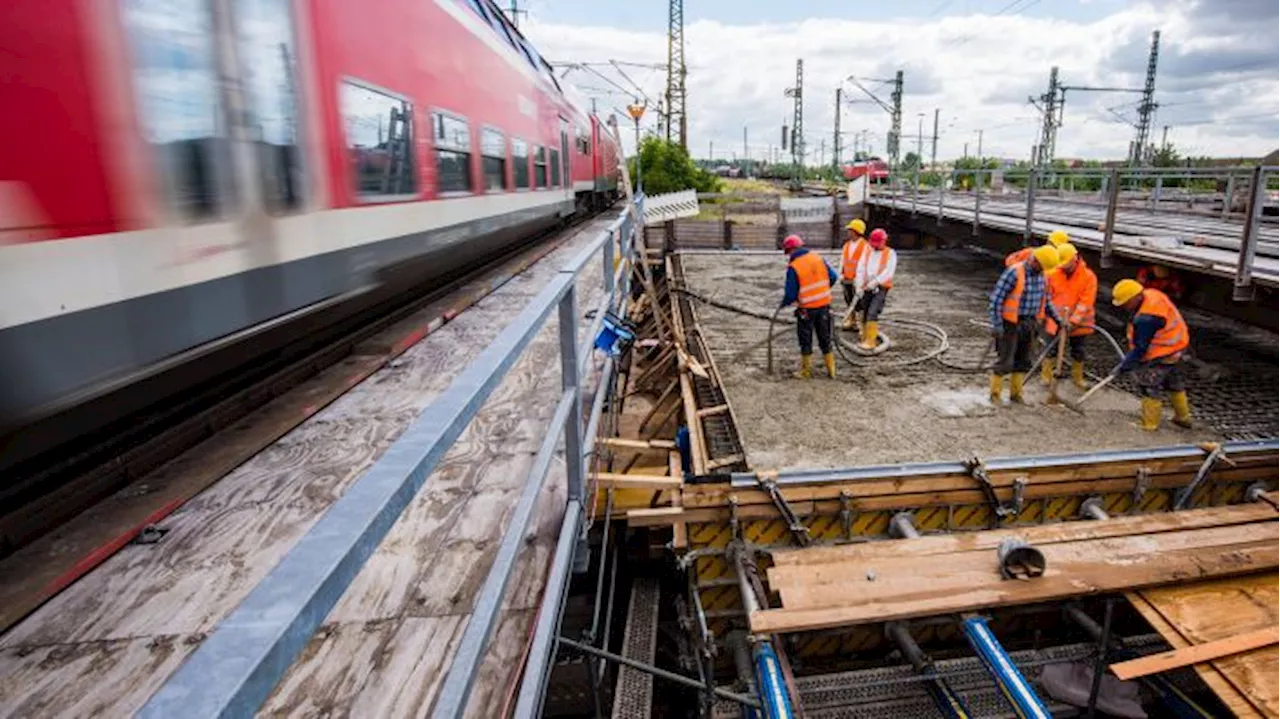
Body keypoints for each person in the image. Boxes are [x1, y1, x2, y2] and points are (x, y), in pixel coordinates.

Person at [1111, 279, 1193, 430]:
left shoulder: (1147, 318)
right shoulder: (1151, 295)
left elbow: (1141, 348)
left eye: (1125, 303)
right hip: (1177, 346)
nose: (1123, 307)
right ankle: (1183, 418)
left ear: (1135, 297)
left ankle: (1150, 424)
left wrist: (1124, 366)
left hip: (1161, 351)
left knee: (1148, 385)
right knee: (1173, 382)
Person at [988, 245, 1062, 404]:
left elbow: (1046, 301)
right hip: (1010, 324)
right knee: (1005, 361)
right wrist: (996, 324)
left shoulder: (1043, 276)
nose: (1043, 270)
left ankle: (1016, 394)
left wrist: (1058, 320)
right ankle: (995, 395)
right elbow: (996, 300)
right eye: (1041, 266)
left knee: (1023, 360)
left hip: (1030, 324)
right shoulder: (1014, 273)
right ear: (1035, 260)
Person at [780, 234, 838, 379]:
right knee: (825, 337)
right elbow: (833, 277)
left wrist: (784, 303)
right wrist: (822, 291)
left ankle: (805, 372)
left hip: (806, 309)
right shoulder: (818, 258)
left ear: (791, 249)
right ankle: (832, 371)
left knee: (805, 339)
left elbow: (791, 293)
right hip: (824, 306)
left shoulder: (794, 266)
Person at [1043, 243, 1098, 388]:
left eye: (1066, 264)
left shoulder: (1088, 277)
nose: (1064, 267)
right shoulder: (1052, 274)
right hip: (1056, 321)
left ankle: (1077, 378)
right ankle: (1046, 377)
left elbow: (1086, 302)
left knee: (1078, 350)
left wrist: (1073, 321)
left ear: (1075, 259)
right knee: (1050, 349)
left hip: (1079, 323)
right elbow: (1046, 297)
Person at [854, 228, 897, 351]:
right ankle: (865, 335)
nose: (875, 246)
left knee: (873, 311)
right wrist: (859, 285)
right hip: (866, 286)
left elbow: (888, 272)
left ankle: (870, 341)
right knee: (865, 310)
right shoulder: (867, 251)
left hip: (880, 287)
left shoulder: (890, 253)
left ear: (884, 241)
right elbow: (861, 268)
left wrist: (875, 282)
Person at [839, 219, 870, 330]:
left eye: (850, 230)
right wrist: (841, 274)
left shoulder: (865, 246)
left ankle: (860, 322)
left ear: (856, 231)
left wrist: (860, 279)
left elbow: (864, 264)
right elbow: (843, 261)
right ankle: (851, 320)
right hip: (847, 278)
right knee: (848, 299)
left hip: (858, 280)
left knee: (859, 302)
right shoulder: (847, 245)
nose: (848, 232)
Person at [1005, 228, 1069, 267]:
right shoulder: (1032, 252)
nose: (1051, 247)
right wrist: (1021, 270)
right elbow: (1010, 260)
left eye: (1055, 246)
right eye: (1051, 244)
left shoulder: (1060, 264)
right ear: (1047, 242)